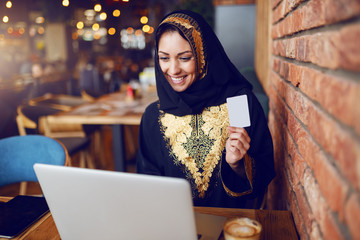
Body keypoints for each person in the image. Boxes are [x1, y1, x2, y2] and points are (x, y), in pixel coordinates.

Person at [136, 10, 275, 208]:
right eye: (164, 58)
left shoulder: (237, 102)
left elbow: (263, 176)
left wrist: (238, 165)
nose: (173, 69)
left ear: (203, 55)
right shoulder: (153, 116)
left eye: (184, 58)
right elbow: (147, 184)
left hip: (230, 228)